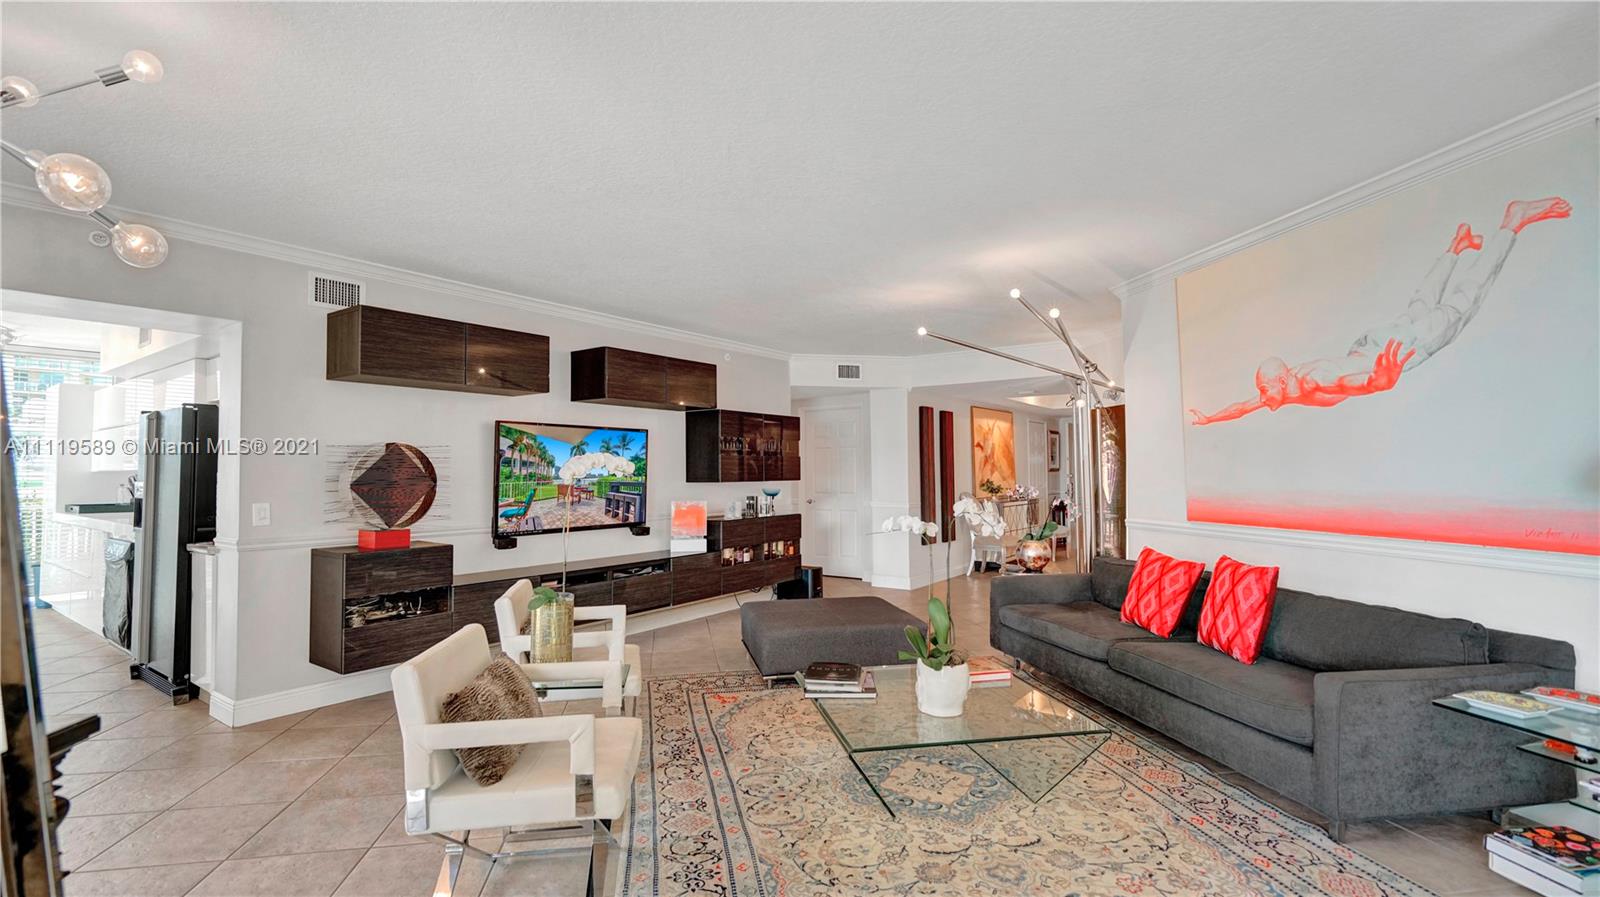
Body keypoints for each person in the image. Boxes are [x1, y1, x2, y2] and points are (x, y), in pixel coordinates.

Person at [1189, 197, 1571, 425]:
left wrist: (1381, 380)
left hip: (1382, 357)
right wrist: (1208, 418)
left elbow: (1353, 383)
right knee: (1421, 304)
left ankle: (1512, 221)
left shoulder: (1314, 379)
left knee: (1461, 305)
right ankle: (1458, 245)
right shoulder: (1281, 392)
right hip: (1367, 345)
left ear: (1284, 376)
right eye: (1261, 388)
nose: (1260, 395)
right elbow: (1241, 407)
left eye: (1264, 387)